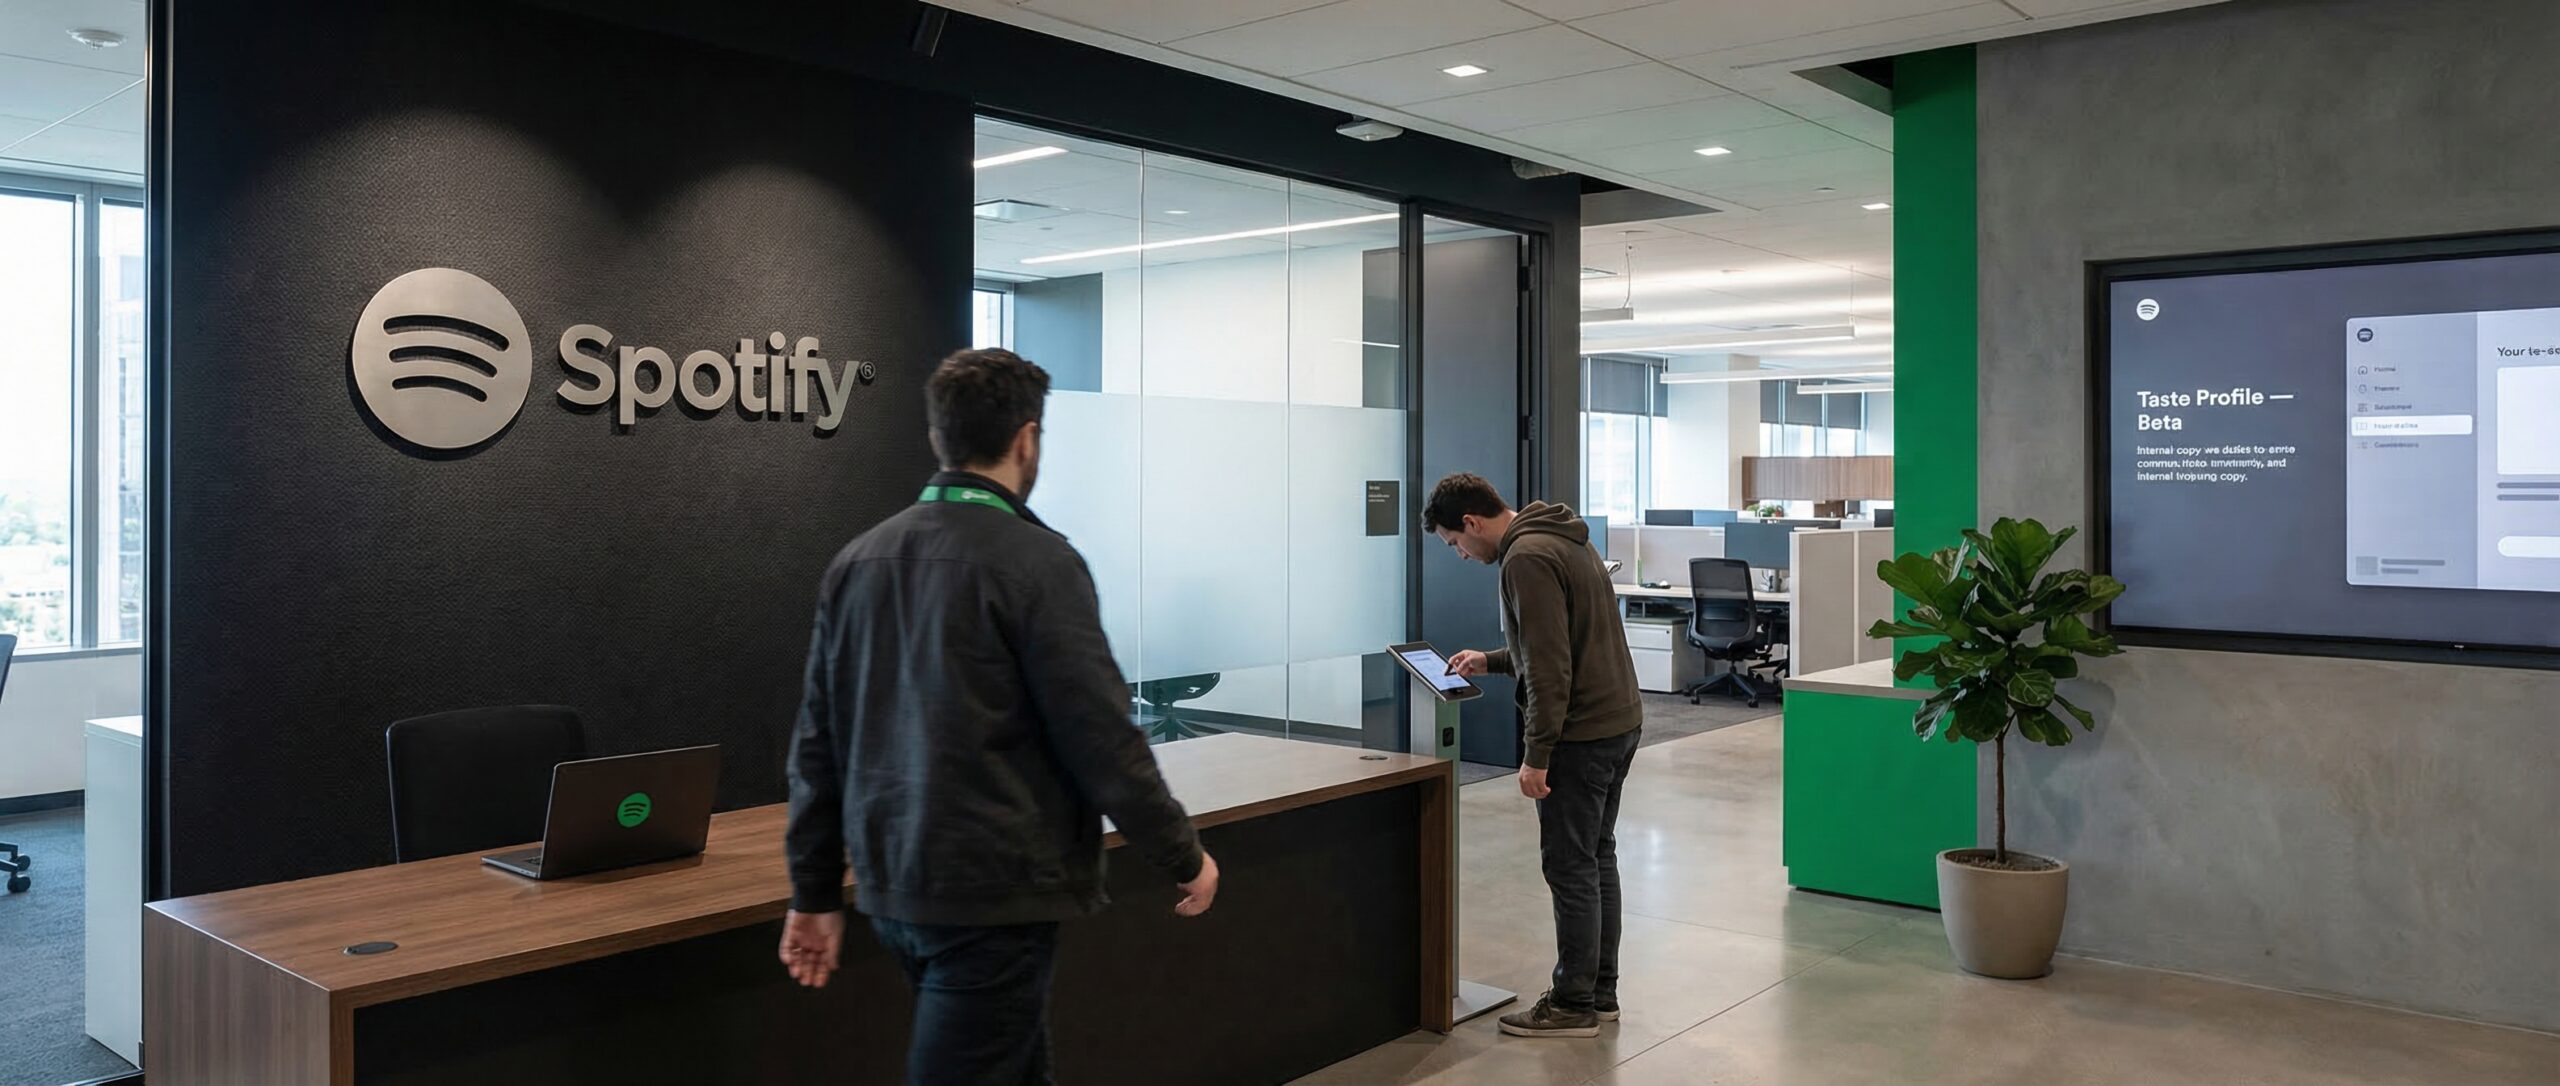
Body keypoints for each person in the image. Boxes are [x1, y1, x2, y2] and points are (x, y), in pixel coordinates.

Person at [779, 348, 1220, 1084]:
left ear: (937, 440)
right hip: (993, 893)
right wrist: (1182, 853)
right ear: (1026, 440)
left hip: (895, 886)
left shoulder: (859, 560)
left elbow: (818, 745)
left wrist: (815, 890)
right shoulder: (1039, 563)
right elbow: (1101, 735)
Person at [1424, 473, 1642, 1040]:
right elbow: (1560, 640)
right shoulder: (1564, 536)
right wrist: (1493, 659)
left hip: (1580, 733)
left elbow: (1550, 666)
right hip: (1619, 721)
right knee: (1596, 858)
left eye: (1454, 543)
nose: (1462, 555)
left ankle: (1572, 1005)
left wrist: (1536, 754)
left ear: (1471, 522)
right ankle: (1600, 993)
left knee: (1569, 866)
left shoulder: (1526, 557)